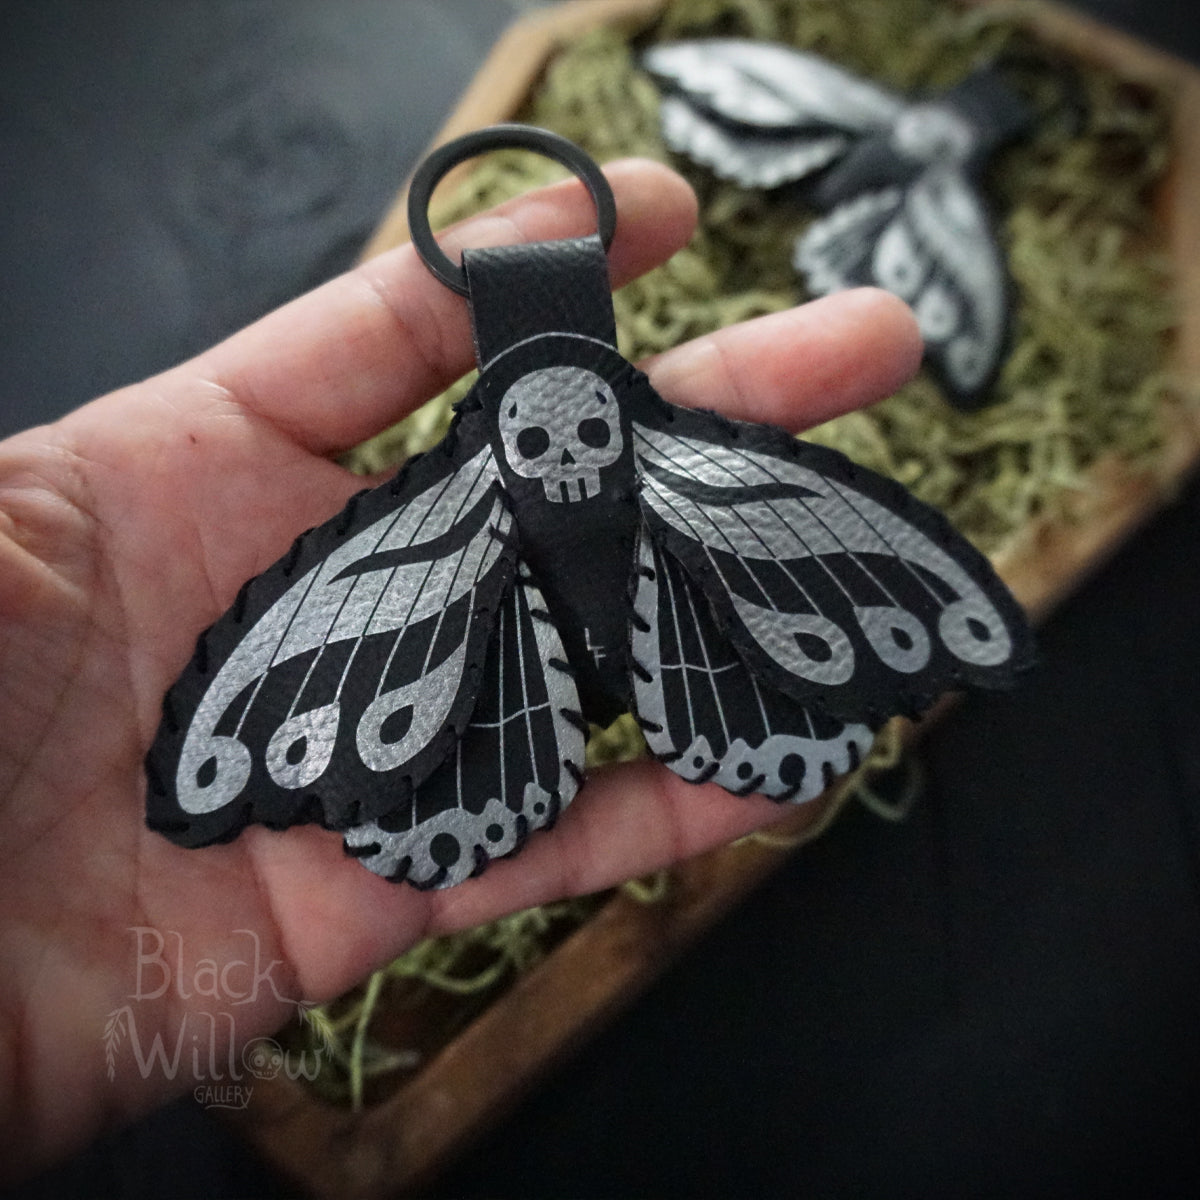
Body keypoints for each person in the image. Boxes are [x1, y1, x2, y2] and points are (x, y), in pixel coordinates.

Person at [0, 158, 920, 1182]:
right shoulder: (600, 473)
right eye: (534, 443)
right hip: (506, 696)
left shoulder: (449, 505)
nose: (561, 462)